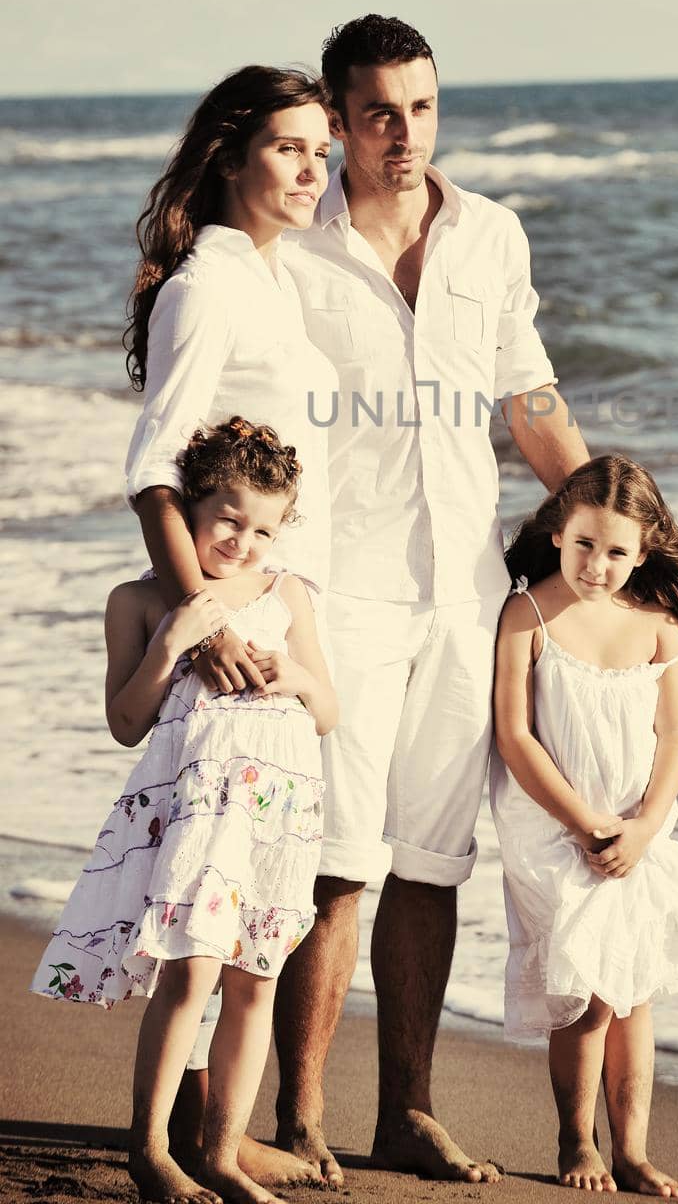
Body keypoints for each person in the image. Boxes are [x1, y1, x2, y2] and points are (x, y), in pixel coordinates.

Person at [274, 13, 589, 1186]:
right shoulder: (287, 243)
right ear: (337, 115)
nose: (401, 134)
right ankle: (297, 1115)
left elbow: (529, 397)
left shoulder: (489, 235)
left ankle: (403, 1109)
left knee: (428, 862)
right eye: (375, 112)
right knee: (334, 862)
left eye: (420, 107)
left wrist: (621, 519)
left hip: (463, 595)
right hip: (333, 594)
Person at [123, 66, 340, 1192]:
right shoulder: (205, 284)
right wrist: (202, 619)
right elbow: (155, 469)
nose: (315, 170)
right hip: (228, 633)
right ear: (231, 156)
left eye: (322, 151)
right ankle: (163, 1143)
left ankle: (216, 1136)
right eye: (293, 149)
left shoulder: (271, 275)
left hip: (272, 618)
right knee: (204, 918)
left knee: (253, 913)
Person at [31, 417, 339, 1204]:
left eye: (263, 528)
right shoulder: (136, 600)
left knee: (253, 978)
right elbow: (125, 721)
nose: (242, 541)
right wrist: (171, 644)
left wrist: (296, 676)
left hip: (275, 817)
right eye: (227, 519)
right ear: (189, 510)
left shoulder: (288, 594)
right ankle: (151, 1147)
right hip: (198, 811)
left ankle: (223, 1152)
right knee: (192, 969)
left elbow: (329, 710)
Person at [490, 454, 678, 1198]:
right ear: (558, 532)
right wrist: (586, 824)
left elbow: (675, 738)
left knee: (633, 990)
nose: (598, 564)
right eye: (584, 543)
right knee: (587, 995)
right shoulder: (529, 614)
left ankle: (634, 1152)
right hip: (554, 827)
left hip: (635, 832)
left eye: (617, 551)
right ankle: (574, 1140)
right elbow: (515, 737)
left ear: (644, 551)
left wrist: (644, 827)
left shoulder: (657, 624)